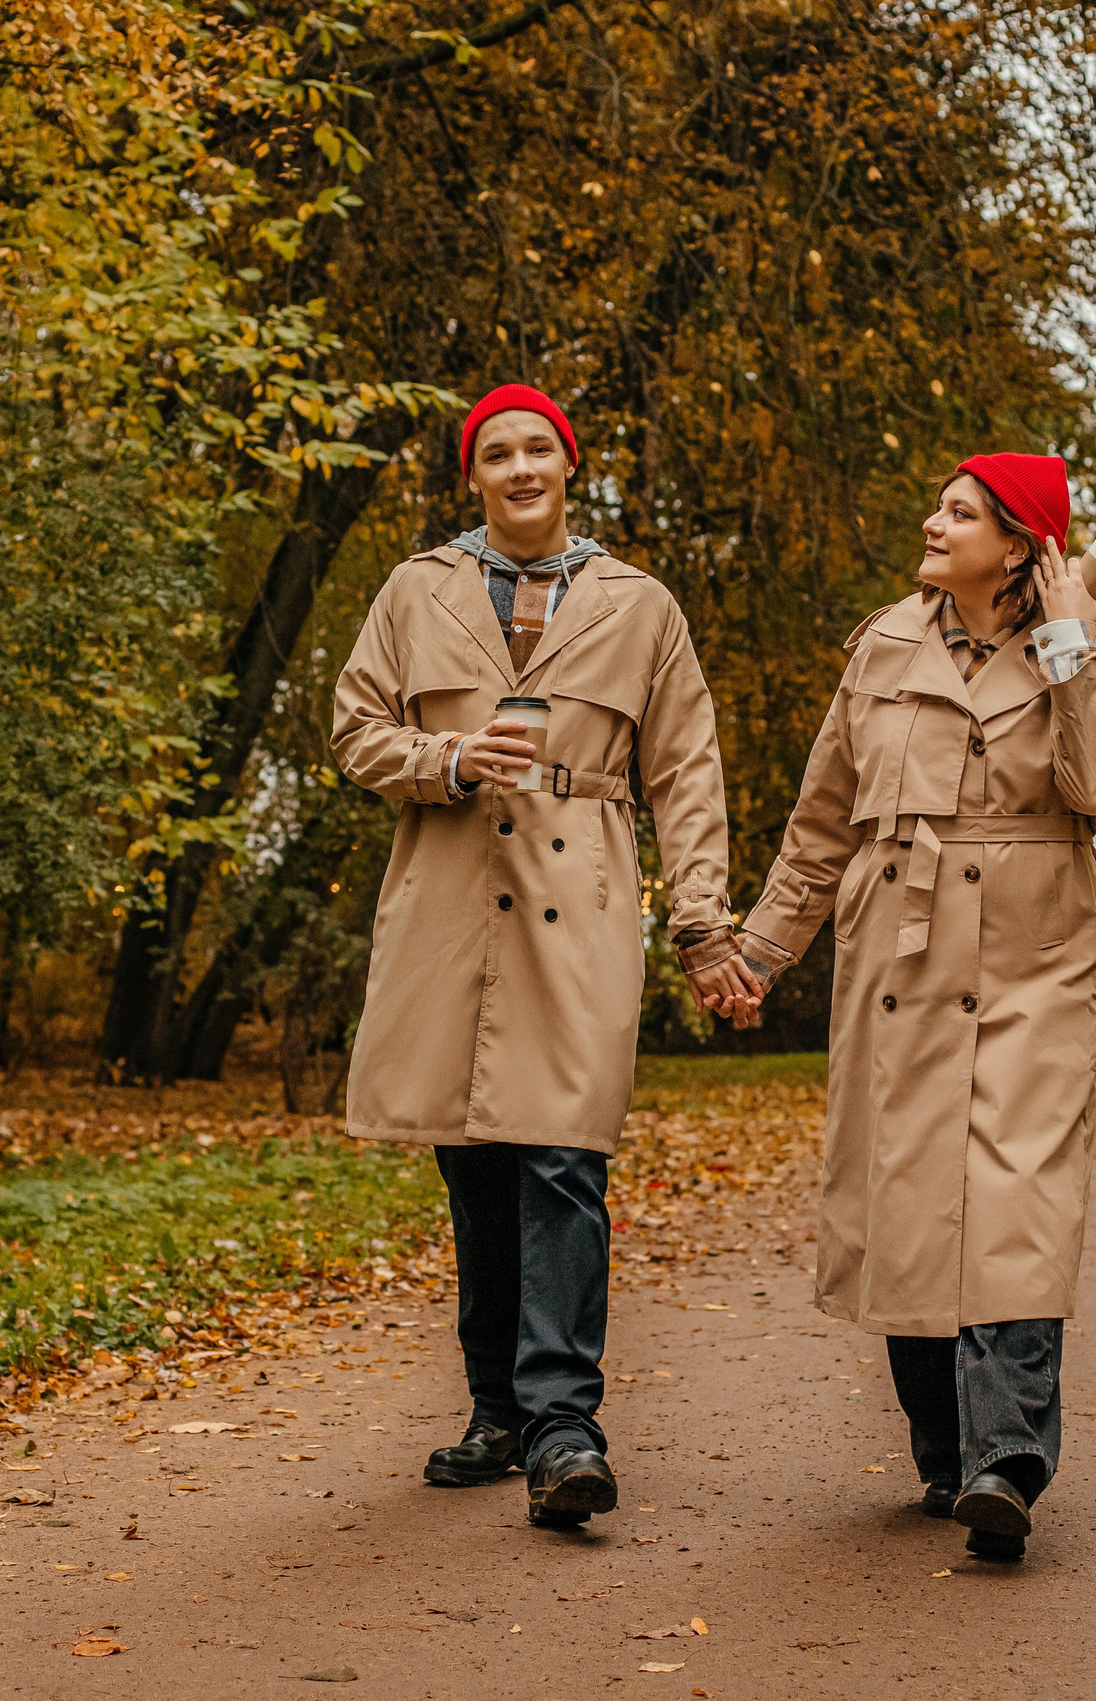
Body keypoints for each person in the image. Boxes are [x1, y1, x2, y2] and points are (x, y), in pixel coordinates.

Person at [330, 383, 760, 1528]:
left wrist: (702, 924)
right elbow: (356, 728)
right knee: (471, 1162)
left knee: (564, 1157)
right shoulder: (415, 589)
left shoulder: (639, 603)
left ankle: (565, 1421)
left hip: (582, 895)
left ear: (569, 466)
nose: (519, 468)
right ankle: (497, 1413)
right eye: (495, 453)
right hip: (449, 897)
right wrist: (450, 758)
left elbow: (688, 772)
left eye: (538, 449)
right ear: (471, 475)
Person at [730, 453, 1096, 1562]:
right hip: (901, 949)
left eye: (959, 512)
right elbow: (823, 819)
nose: (932, 520)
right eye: (939, 504)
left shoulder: (1095, 642)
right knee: (909, 1196)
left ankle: (1005, 1459)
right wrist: (761, 951)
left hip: (1035, 950)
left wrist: (1065, 643)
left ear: (1019, 544)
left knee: (1015, 1192)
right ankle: (944, 1454)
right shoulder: (881, 645)